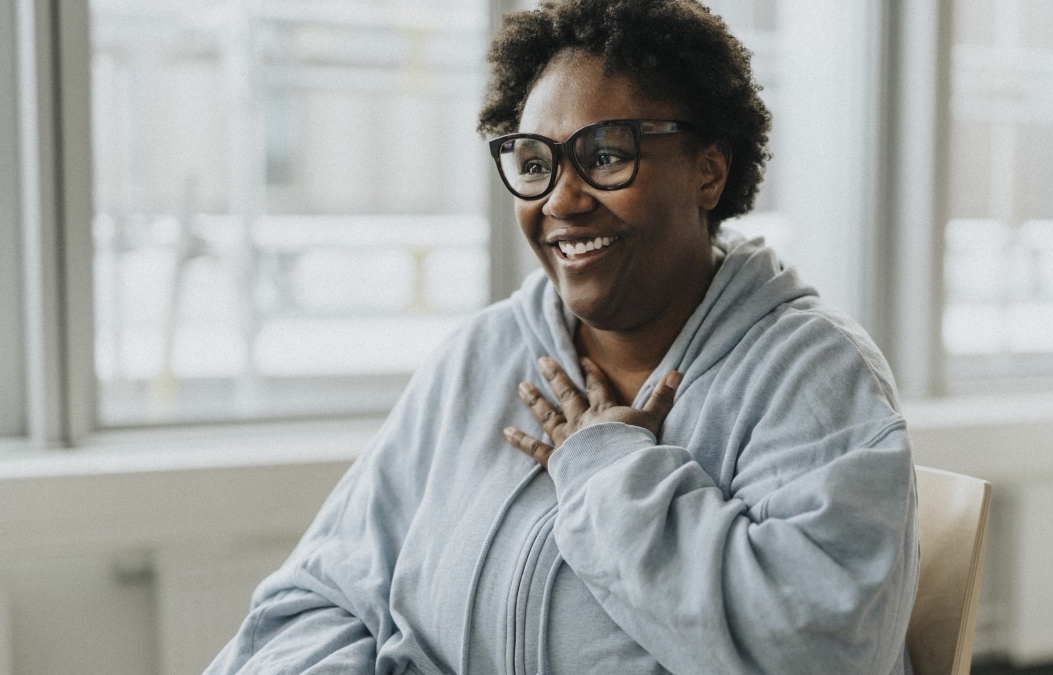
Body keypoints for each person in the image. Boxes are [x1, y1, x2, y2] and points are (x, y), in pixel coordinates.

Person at [206, 0, 918, 673]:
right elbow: (317, 597)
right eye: (537, 163)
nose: (562, 200)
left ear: (709, 170)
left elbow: (815, 646)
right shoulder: (481, 357)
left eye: (607, 155)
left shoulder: (812, 376)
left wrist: (609, 474)